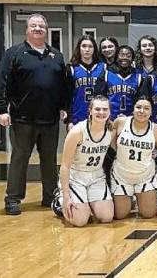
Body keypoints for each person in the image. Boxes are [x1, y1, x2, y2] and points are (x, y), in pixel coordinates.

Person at [0, 13, 68, 215]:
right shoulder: (14, 53)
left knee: (49, 160)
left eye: (41, 26)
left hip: (50, 119)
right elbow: (2, 83)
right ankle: (13, 199)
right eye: (34, 26)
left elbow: (63, 85)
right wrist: (2, 109)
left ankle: (50, 197)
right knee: (20, 158)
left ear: (46, 30)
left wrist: (64, 107)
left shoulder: (56, 55)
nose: (38, 29)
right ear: (27, 30)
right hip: (22, 118)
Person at [54, 96, 113, 226]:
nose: (101, 113)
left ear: (109, 112)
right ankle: (58, 200)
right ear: (90, 111)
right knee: (80, 221)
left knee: (107, 217)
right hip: (76, 177)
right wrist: (66, 196)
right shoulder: (77, 131)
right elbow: (65, 166)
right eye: (97, 109)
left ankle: (87, 203)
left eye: (105, 109)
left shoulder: (110, 130)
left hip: (97, 176)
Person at [110, 96, 157, 219]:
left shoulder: (156, 129)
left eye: (146, 108)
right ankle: (131, 200)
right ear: (133, 109)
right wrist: (120, 152)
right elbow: (112, 142)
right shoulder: (121, 122)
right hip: (121, 175)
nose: (141, 111)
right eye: (138, 107)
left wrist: (152, 151)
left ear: (151, 112)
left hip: (145, 176)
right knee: (120, 215)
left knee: (148, 214)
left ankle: (140, 196)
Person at [67, 35, 105, 130]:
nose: (87, 49)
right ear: (79, 48)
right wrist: (69, 119)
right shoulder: (72, 68)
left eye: (90, 46)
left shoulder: (103, 67)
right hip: (78, 115)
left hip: (99, 115)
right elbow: (67, 96)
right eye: (84, 46)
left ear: (94, 49)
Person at [100, 45, 142, 119]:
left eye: (128, 55)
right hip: (109, 119)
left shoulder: (138, 77)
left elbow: (140, 102)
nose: (125, 58)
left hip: (131, 120)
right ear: (116, 57)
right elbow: (99, 98)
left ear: (132, 59)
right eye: (122, 55)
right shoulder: (106, 74)